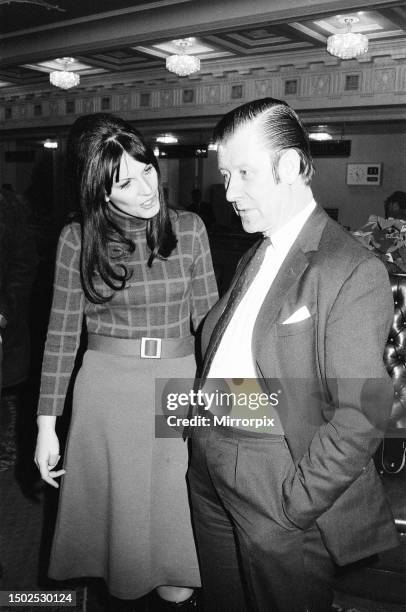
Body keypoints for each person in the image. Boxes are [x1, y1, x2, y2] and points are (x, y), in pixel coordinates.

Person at [186, 98, 399, 611]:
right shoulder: (257, 251)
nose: (229, 191)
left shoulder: (348, 266)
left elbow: (363, 414)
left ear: (290, 166)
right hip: (210, 462)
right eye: (225, 174)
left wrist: (292, 507)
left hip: (275, 474)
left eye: (242, 172)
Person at [34, 113, 218, 610]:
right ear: (100, 192)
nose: (144, 188)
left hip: (177, 384)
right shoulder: (78, 239)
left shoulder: (190, 229)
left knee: (178, 557)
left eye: (147, 170)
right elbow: (60, 334)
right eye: (125, 182)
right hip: (108, 393)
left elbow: (212, 328)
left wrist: (231, 408)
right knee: (122, 547)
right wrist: (46, 425)